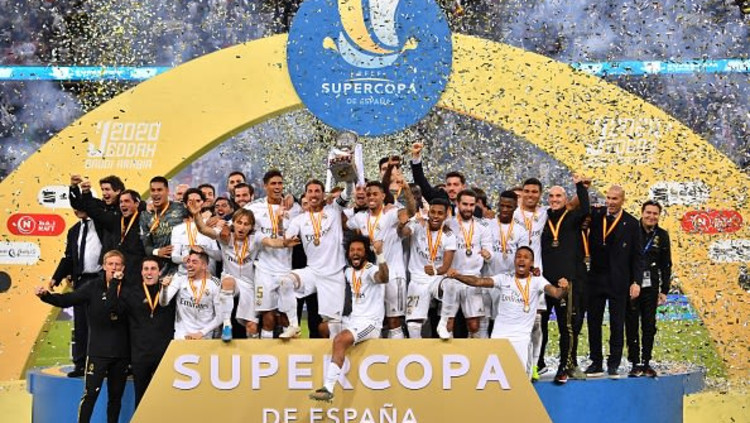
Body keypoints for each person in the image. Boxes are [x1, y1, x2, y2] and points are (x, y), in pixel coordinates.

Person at [447, 247, 569, 379]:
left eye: (526, 257)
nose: (521, 259)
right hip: (499, 337)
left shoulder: (537, 281)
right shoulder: (504, 278)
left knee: (521, 381)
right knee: (494, 380)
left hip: (521, 340)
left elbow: (557, 294)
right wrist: (457, 276)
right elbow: (478, 281)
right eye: (518, 256)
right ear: (514, 260)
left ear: (532, 263)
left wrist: (564, 288)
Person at [36, 250, 129, 423]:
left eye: (117, 264)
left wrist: (115, 283)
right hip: (97, 352)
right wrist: (46, 296)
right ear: (104, 266)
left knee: (116, 399)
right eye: (110, 264)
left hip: (121, 353)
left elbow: (113, 307)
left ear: (123, 267)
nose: (114, 268)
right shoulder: (93, 287)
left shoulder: (129, 289)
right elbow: (68, 299)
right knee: (90, 395)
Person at [188, 201, 299, 340]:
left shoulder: (255, 238)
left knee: (252, 327)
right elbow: (204, 230)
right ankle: (227, 325)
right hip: (230, 277)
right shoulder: (225, 237)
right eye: (239, 223)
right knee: (227, 282)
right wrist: (196, 214)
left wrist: (284, 243)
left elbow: (271, 242)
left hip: (249, 284)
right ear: (233, 223)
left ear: (251, 227)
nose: (242, 227)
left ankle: (254, 346)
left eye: (246, 224)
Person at [309, 235, 389, 401]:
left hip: (370, 323)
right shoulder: (348, 272)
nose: (355, 253)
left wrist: (380, 254)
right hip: (353, 320)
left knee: (339, 340)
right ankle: (338, 362)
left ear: (366, 253)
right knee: (323, 328)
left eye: (359, 250)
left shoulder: (371, 269)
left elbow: (383, 278)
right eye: (352, 250)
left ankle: (328, 388)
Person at [282, 179, 353, 338]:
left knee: (333, 325)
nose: (313, 195)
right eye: (310, 191)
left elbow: (348, 192)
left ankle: (334, 351)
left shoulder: (334, 210)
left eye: (317, 191)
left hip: (334, 275)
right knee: (286, 282)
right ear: (305, 195)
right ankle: (293, 325)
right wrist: (285, 235)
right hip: (313, 272)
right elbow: (287, 237)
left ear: (323, 194)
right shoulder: (299, 220)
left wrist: (349, 177)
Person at [585, 185, 644, 378]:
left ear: (622, 200)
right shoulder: (596, 215)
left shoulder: (632, 223)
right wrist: (582, 188)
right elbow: (582, 210)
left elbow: (637, 256)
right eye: (608, 198)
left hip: (619, 280)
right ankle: (596, 361)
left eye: (614, 199)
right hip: (595, 278)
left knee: (617, 323)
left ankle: (614, 363)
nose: (610, 202)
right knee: (593, 322)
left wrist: (636, 281)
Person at [347, 180, 416, 339]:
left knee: (394, 321)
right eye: (368, 194)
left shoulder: (391, 213)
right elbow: (344, 222)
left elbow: (410, 212)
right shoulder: (360, 217)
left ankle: (397, 353)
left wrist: (406, 189)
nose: (371, 197)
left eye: (375, 194)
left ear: (383, 196)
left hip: (393, 275)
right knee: (371, 320)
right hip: (372, 277)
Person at [541, 176, 591, 384]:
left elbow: (586, 209)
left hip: (566, 282)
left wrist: (580, 187)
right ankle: (537, 363)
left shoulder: (572, 218)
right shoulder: (542, 218)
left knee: (567, 326)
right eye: (551, 196)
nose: (554, 199)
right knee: (540, 325)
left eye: (558, 196)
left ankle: (565, 365)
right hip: (544, 282)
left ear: (565, 198)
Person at [107, 257, 175, 407]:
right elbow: (112, 308)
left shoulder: (169, 290)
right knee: (141, 399)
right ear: (141, 272)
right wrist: (114, 283)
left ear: (160, 272)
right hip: (140, 356)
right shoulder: (132, 293)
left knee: (165, 400)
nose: (149, 272)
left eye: (153, 269)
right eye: (146, 269)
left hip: (164, 355)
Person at [246, 170, 304, 339]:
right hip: (264, 268)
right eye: (273, 183)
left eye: (280, 183)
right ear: (265, 186)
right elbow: (234, 221)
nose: (277, 187)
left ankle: (288, 353)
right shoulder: (254, 208)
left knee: (286, 318)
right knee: (268, 316)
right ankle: (265, 351)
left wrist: (294, 198)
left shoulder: (295, 208)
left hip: (286, 268)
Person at [49, 207, 103, 377]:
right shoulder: (74, 230)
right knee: (80, 324)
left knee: (101, 324)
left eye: (80, 206)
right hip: (81, 281)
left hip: (101, 279)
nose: (77, 210)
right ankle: (80, 364)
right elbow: (69, 257)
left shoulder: (103, 226)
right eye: (74, 207)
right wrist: (56, 277)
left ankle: (101, 364)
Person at [436, 189, 492, 339]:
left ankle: (472, 352)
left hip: (473, 278)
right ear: (457, 204)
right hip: (451, 277)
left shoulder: (483, 226)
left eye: (471, 205)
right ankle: (448, 352)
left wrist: (488, 254)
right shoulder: (448, 224)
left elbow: (489, 249)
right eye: (465, 204)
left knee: (474, 325)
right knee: (448, 324)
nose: (468, 208)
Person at [626, 200, 671, 378]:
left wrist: (664, 290)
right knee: (631, 324)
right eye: (648, 213)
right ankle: (635, 362)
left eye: (655, 213)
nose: (651, 216)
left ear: (659, 216)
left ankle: (646, 361)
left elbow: (666, 264)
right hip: (632, 285)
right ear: (642, 213)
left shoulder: (662, 235)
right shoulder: (632, 230)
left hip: (651, 286)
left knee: (649, 325)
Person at [400, 198, 457, 338]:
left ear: (446, 215)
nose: (435, 216)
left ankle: (443, 322)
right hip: (417, 280)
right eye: (433, 212)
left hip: (437, 278)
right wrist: (403, 224)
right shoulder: (418, 225)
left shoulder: (449, 235)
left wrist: (436, 271)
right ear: (428, 212)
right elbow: (404, 233)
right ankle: (417, 349)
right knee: (413, 326)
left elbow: (446, 266)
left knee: (451, 284)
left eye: (440, 213)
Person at [513, 177, 549, 379]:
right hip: (515, 276)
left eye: (535, 192)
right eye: (527, 191)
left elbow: (571, 206)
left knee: (536, 322)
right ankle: (517, 363)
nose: (530, 195)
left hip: (536, 274)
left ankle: (535, 365)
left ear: (540, 195)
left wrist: (581, 185)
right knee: (517, 323)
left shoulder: (544, 214)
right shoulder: (511, 213)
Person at [77, 186, 146, 284]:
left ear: (136, 204)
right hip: (115, 274)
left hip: (136, 276)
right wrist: (86, 192)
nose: (123, 204)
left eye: (127, 201)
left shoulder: (145, 220)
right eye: (121, 202)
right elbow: (95, 212)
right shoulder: (115, 219)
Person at [159, 250, 226, 340]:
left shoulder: (215, 284)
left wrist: (201, 333)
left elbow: (220, 316)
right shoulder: (179, 280)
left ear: (204, 265)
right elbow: (163, 303)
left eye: (194, 262)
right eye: (188, 261)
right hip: (182, 336)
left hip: (204, 337)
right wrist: (164, 289)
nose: (189, 265)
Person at [139, 176, 187, 276]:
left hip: (182, 266)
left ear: (168, 191)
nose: (156, 193)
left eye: (159, 190)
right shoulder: (145, 215)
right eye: (153, 190)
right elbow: (146, 245)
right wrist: (157, 251)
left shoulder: (181, 208)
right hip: (160, 268)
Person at [170, 188, 221, 276]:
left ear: (203, 203)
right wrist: (185, 258)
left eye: (198, 201)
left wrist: (204, 249)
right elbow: (174, 257)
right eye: (191, 201)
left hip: (208, 277)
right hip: (185, 277)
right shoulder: (177, 229)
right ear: (185, 204)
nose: (194, 204)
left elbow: (219, 257)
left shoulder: (211, 224)